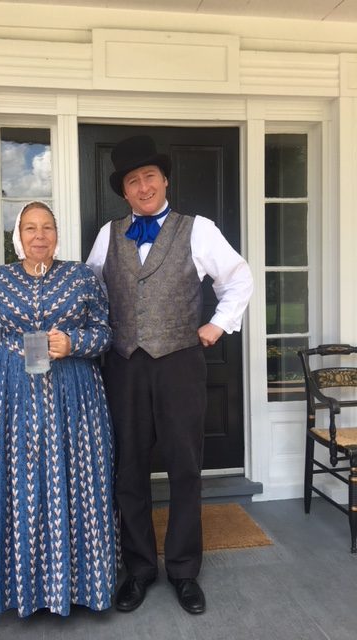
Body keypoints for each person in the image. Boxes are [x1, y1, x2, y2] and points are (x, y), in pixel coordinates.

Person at [87, 135, 253, 615]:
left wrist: (216, 326)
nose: (143, 186)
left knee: (184, 469)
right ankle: (138, 569)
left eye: (150, 177)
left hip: (180, 362)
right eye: (133, 180)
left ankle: (183, 570)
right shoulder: (108, 235)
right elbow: (90, 292)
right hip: (123, 367)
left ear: (164, 180)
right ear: (125, 190)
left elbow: (239, 279)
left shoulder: (197, 229)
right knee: (129, 469)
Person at [0, 201, 118, 617]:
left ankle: (78, 585)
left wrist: (74, 343)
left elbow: (104, 334)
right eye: (30, 228)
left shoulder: (82, 278)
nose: (39, 236)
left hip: (74, 396)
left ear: (57, 234)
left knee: (76, 479)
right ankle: (18, 587)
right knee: (16, 486)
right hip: (10, 399)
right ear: (18, 236)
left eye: (47, 227)